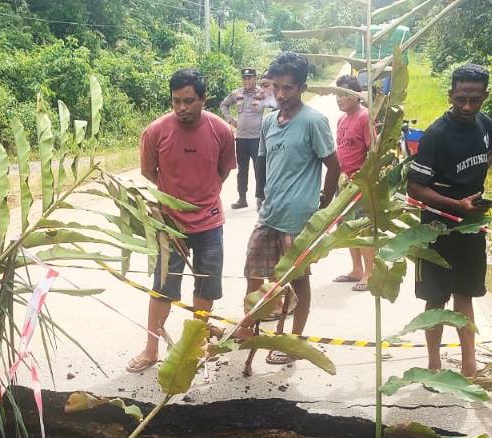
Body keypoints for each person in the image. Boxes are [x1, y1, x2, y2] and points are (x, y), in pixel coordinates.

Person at [127, 69, 237, 373]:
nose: (182, 108)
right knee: (162, 287)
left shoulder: (221, 130)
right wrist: (169, 202)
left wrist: (204, 195)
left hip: (210, 223)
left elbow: (224, 170)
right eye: (176, 101)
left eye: (189, 101)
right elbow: (150, 173)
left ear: (203, 99)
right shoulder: (155, 132)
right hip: (170, 223)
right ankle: (151, 349)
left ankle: (196, 345)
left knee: (206, 286)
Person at [241, 51, 340, 365]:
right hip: (270, 213)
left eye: (289, 88)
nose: (282, 95)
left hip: (298, 220)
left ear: (302, 87)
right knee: (253, 272)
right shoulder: (269, 120)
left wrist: (323, 204)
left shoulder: (314, 121)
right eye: (276, 87)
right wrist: (261, 196)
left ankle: (293, 342)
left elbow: (333, 166)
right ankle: (249, 328)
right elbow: (265, 161)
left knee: (298, 281)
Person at [406, 63, 492, 377]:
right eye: (460, 99)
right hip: (436, 229)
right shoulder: (435, 135)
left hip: (472, 226)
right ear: (450, 95)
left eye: (475, 99)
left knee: (466, 293)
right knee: (435, 298)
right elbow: (415, 187)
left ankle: (470, 363)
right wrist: (455, 203)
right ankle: (433, 364)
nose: (467, 107)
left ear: (484, 96)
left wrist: (473, 198)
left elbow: (489, 156)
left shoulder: (485, 126)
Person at [332, 74, 373, 291]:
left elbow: (372, 152)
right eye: (337, 95)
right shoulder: (341, 120)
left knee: (363, 228)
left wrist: (362, 179)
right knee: (347, 226)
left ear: (357, 96)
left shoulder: (365, 117)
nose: (339, 100)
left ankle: (369, 272)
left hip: (359, 182)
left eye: (344, 95)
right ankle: (356, 268)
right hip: (343, 182)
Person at [219, 67, 269, 210]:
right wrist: (230, 120)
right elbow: (224, 105)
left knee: (259, 169)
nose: (247, 80)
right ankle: (242, 198)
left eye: (250, 78)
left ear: (255, 78)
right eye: (245, 78)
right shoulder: (237, 93)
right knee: (242, 169)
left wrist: (266, 121)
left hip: (257, 138)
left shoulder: (262, 93)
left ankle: (261, 199)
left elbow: (275, 106)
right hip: (241, 138)